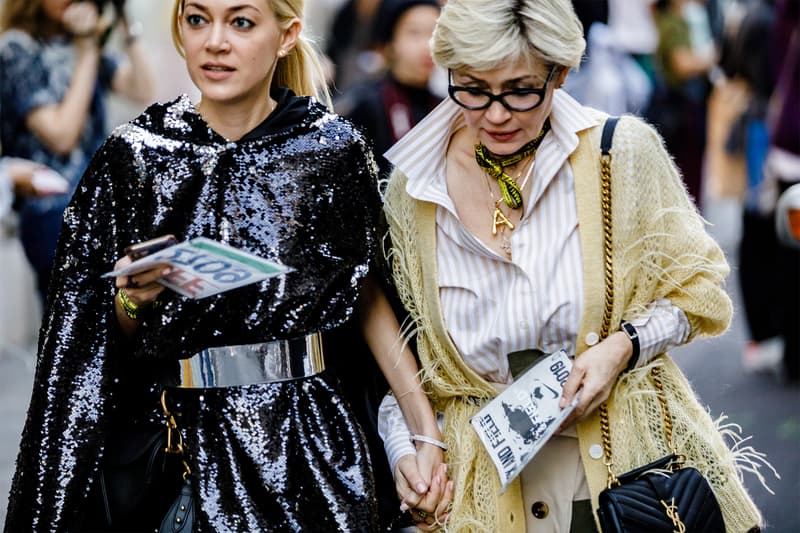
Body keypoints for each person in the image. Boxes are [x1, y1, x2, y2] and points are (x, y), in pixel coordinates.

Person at [3, 0, 443, 531]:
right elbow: (85, 344)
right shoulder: (137, 156)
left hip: (310, 441)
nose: (215, 41)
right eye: (196, 20)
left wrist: (425, 433)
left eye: (240, 22)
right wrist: (130, 299)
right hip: (180, 444)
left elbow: (366, 295)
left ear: (286, 35)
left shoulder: (331, 149)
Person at [376, 0, 766, 531]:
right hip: (484, 500)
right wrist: (408, 451)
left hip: (628, 483)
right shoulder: (412, 187)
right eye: (471, 87)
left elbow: (697, 291)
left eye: (519, 90)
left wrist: (621, 347)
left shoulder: (617, 153)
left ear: (558, 73)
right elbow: (410, 363)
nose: (494, 113)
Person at [0, 0, 154, 306]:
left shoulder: (81, 44)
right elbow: (61, 136)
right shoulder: (16, 49)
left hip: (100, 209)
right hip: (52, 215)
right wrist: (87, 49)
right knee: (73, 329)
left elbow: (142, 89)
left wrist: (125, 20)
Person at [335, 0, 442, 179]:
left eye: (435, 33)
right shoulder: (365, 106)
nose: (428, 45)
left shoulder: (445, 106)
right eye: (414, 33)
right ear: (388, 44)